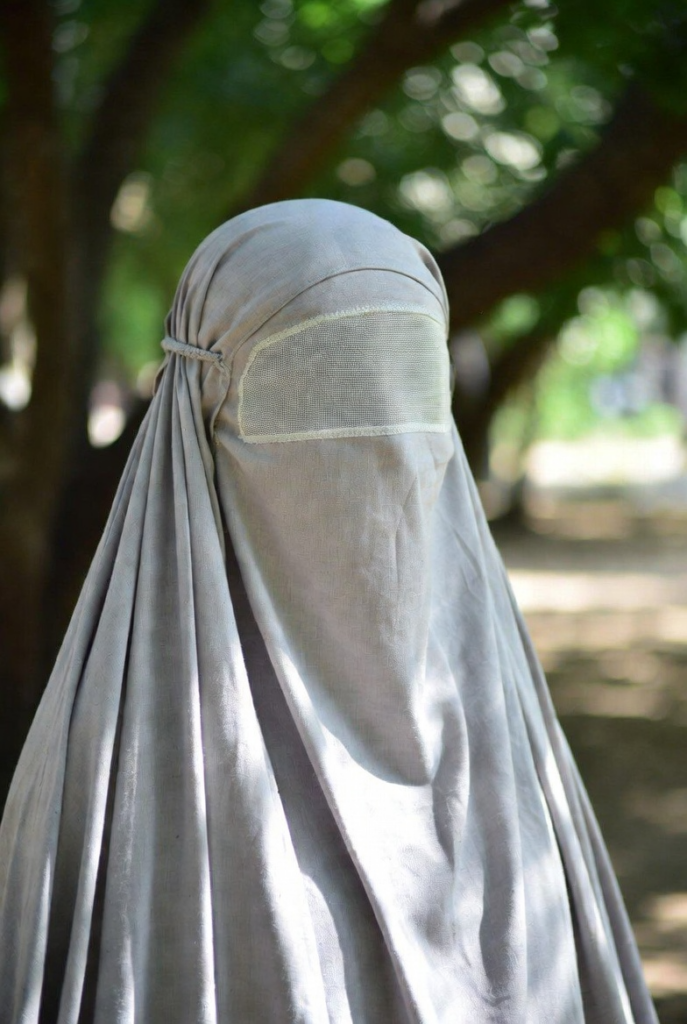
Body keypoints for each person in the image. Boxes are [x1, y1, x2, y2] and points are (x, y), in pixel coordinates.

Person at [0, 200, 657, 1023]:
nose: (376, 455)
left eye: (404, 391)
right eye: (309, 392)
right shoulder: (117, 780)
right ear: (204, 409)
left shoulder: (499, 730)